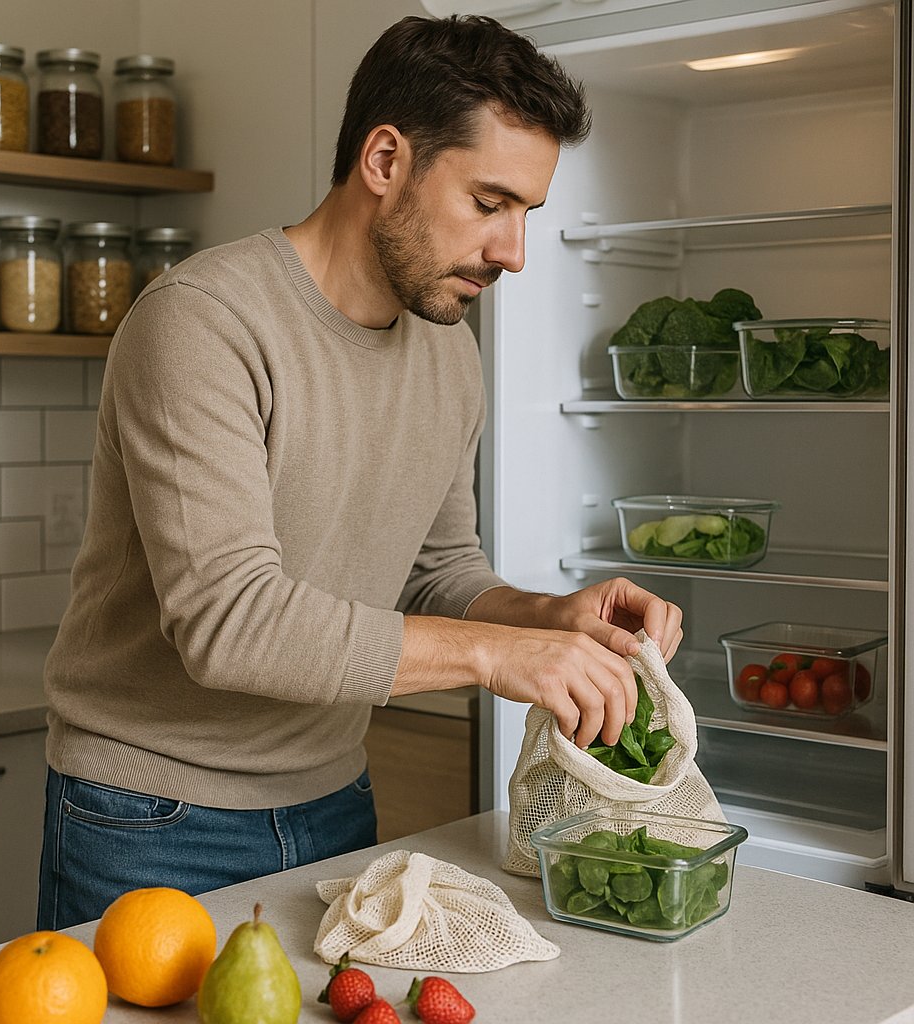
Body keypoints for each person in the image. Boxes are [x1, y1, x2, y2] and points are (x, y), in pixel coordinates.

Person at [37, 13, 683, 930]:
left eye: (526, 215)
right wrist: (500, 655)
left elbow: (437, 571)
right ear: (385, 161)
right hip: (150, 815)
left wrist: (549, 618)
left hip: (335, 800)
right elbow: (227, 624)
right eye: (489, 203)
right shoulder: (202, 322)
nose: (513, 252)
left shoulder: (448, 352)